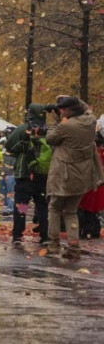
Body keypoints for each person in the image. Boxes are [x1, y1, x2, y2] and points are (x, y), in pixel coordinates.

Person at [44, 96, 103, 259]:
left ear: (69, 110)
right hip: (81, 175)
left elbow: (50, 138)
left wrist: (55, 119)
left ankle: (53, 244)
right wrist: (70, 100)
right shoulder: (90, 120)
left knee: (54, 208)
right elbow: (85, 108)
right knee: (71, 211)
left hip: (63, 174)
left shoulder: (66, 125)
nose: (60, 111)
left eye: (62, 108)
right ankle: (73, 246)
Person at [5, 104, 52, 246]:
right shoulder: (49, 129)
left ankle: (18, 235)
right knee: (42, 206)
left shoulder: (22, 129)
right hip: (43, 175)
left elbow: (9, 146)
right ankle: (45, 236)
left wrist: (22, 148)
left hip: (24, 174)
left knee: (22, 206)